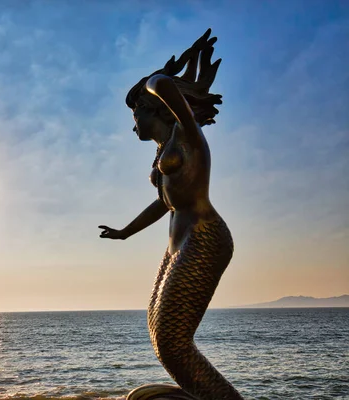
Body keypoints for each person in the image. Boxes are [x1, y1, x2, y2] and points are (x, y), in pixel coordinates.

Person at [98, 30, 244, 400]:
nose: (133, 125)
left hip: (205, 237)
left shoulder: (187, 133)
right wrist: (124, 232)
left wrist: (156, 79)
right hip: (178, 244)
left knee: (174, 342)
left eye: (136, 114)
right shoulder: (165, 149)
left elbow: (162, 83)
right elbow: (166, 202)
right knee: (158, 334)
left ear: (154, 109)